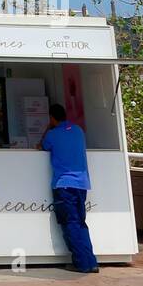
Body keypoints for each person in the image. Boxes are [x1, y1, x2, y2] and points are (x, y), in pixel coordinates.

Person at [40, 103, 98, 274]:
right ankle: (92, 262)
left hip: (64, 185)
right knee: (81, 223)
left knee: (70, 224)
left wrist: (48, 129)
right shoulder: (78, 130)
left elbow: (42, 146)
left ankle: (81, 264)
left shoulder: (52, 134)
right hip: (82, 185)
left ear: (51, 118)